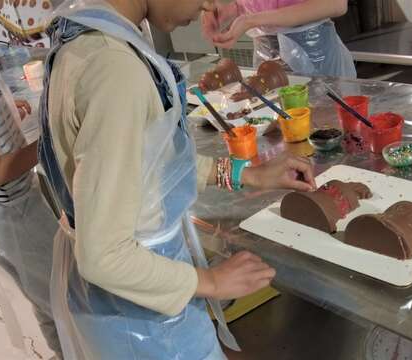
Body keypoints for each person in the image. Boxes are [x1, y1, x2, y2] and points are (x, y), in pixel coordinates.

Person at [39, 0, 317, 358]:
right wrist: (212, 280)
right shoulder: (114, 70)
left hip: (124, 305)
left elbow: (147, 160)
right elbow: (104, 256)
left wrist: (241, 173)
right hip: (140, 323)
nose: (210, 5)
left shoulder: (89, 36)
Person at [0, 0, 62, 357]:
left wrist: (7, 109)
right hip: (10, 210)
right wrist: (51, 143)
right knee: (62, 300)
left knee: (44, 296)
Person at [201, 0, 356, 78]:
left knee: (323, 128)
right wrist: (232, 10)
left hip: (315, 57)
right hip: (264, 52)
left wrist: (251, 21)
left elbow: (336, 4)